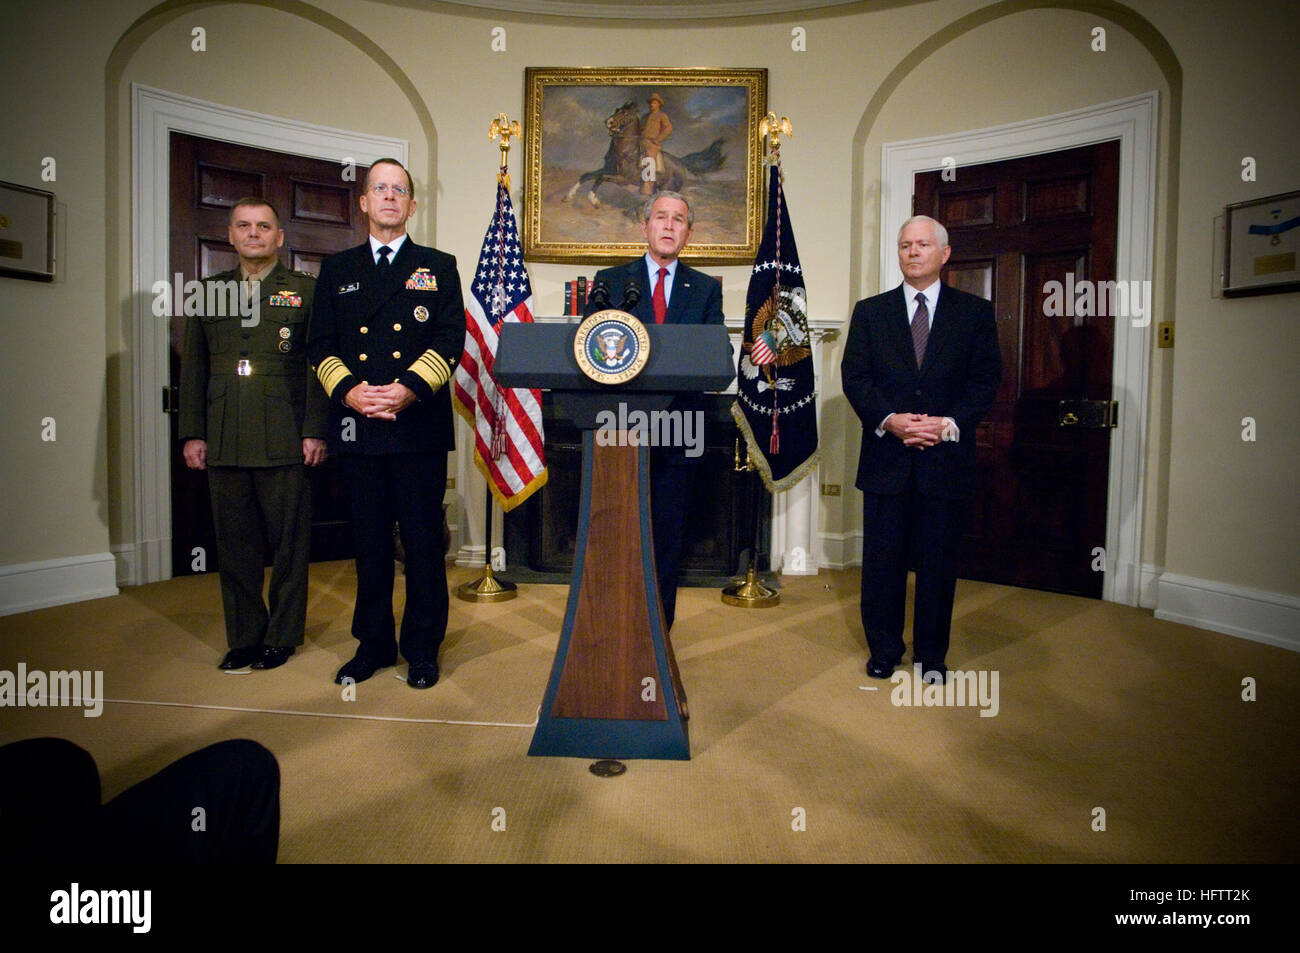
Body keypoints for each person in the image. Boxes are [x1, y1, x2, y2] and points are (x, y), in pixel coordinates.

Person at [306, 158, 464, 689]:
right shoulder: (337, 270)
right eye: (380, 188)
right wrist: (351, 392)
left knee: (422, 546)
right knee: (369, 546)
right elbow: (320, 344)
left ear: (412, 205)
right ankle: (372, 645)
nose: (390, 197)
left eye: (400, 189)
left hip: (416, 425)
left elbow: (450, 339)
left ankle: (422, 648)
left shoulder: (438, 265)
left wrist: (407, 390)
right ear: (365, 203)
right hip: (359, 427)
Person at [841, 215, 1001, 683]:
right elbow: (856, 378)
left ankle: (932, 656)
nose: (913, 252)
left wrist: (947, 424)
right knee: (883, 564)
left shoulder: (974, 313)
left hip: (945, 459)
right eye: (906, 245)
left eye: (923, 244)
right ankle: (884, 650)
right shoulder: (870, 312)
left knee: (937, 564)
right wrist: (890, 421)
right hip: (886, 459)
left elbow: (985, 380)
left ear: (944, 254)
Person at [179, 198, 328, 672]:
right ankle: (244, 636)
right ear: (230, 234)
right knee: (234, 544)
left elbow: (317, 367)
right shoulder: (207, 292)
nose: (254, 233)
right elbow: (194, 369)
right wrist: (193, 433)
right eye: (244, 225)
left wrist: (315, 431)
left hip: (285, 433)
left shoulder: (306, 290)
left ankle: (281, 636)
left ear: (279, 237)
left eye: (264, 226)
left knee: (289, 544)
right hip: (224, 435)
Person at [586, 191, 724, 630]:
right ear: (644, 226)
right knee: (616, 534)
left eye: (678, 219)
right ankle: (612, 629)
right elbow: (591, 352)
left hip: (678, 427)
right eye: (660, 217)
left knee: (666, 538)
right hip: (619, 427)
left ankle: (657, 635)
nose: (668, 225)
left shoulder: (704, 290)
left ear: (689, 232)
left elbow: (709, 357)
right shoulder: (610, 280)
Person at [640, 93, 673, 195]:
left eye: (654, 103)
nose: (651, 105)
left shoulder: (662, 115)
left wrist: (658, 139)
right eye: (650, 103)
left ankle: (647, 192)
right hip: (641, 142)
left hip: (652, 145)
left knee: (649, 163)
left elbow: (668, 128)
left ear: (659, 104)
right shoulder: (645, 117)